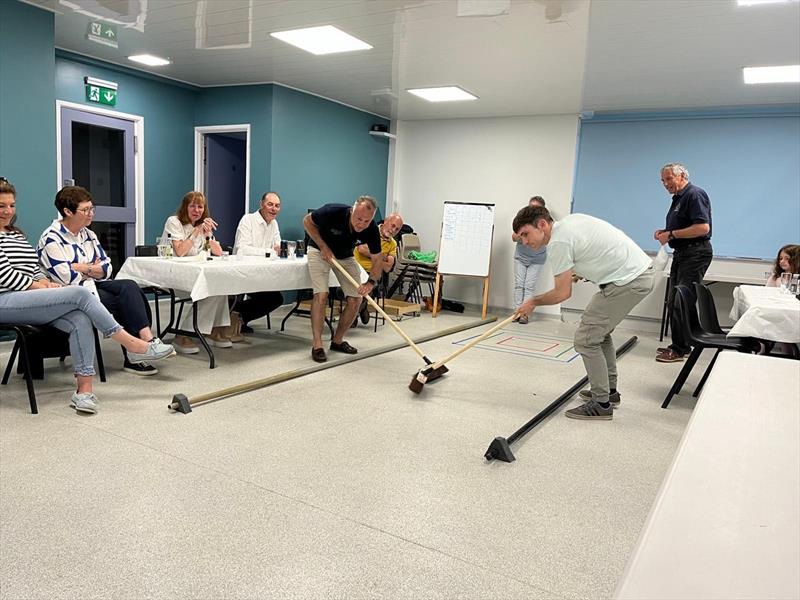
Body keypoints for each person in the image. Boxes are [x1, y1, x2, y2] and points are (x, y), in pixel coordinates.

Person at [0, 178, 174, 414]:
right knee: (81, 294)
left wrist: (44, 282)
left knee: (80, 317)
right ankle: (133, 344)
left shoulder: (16, 234)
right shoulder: (49, 236)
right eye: (2, 206)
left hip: (29, 297)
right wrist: (39, 286)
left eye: (11, 205)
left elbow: (33, 267)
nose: (8, 211)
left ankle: (84, 391)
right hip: (6, 299)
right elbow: (4, 276)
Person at [513, 205, 654, 421]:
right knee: (599, 334)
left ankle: (601, 403)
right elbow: (593, 249)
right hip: (636, 275)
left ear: (542, 224)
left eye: (525, 234)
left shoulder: (558, 243)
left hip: (627, 281)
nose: (524, 241)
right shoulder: (570, 223)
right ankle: (609, 392)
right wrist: (580, 272)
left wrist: (533, 301)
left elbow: (562, 293)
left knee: (586, 340)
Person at [37, 186, 163, 376]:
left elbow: (107, 269)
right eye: (85, 210)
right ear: (67, 212)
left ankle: (148, 341)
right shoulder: (51, 238)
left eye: (92, 208)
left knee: (129, 286)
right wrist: (90, 268)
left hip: (90, 285)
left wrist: (80, 267)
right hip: (67, 293)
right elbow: (66, 277)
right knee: (124, 301)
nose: (91, 214)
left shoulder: (89, 234)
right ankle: (136, 354)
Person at [303, 196, 384, 362]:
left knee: (356, 299)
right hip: (319, 250)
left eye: (366, 221)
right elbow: (307, 221)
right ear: (352, 210)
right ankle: (317, 345)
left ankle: (337, 341)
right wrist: (323, 246)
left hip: (345, 256)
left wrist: (371, 283)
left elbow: (377, 259)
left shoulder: (372, 230)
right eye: (358, 218)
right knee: (322, 295)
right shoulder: (333, 211)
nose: (361, 224)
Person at [653, 163, 712, 363]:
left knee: (681, 301)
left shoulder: (694, 194)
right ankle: (680, 344)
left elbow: (702, 228)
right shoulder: (679, 198)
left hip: (695, 253)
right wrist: (665, 232)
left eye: (669, 178)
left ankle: (681, 348)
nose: (666, 184)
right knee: (673, 300)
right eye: (663, 180)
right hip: (682, 253)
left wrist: (670, 234)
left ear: (682, 176)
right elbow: (684, 226)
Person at [162, 191, 232, 352]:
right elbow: (180, 251)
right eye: (192, 206)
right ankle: (183, 335)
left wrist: (207, 235)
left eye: (200, 206)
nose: (196, 210)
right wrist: (196, 232)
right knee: (211, 288)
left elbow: (218, 252)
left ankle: (215, 331)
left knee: (221, 286)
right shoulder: (174, 221)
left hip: (194, 273)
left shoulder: (202, 226)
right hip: (172, 274)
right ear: (185, 207)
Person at [232, 191, 285, 333]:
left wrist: (275, 250)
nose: (274, 209)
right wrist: (269, 252)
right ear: (261, 204)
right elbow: (242, 248)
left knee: (276, 298)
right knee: (269, 297)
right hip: (241, 273)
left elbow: (278, 247)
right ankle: (232, 317)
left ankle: (239, 317)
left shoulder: (274, 224)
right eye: (270, 204)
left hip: (262, 274)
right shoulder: (248, 220)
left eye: (277, 206)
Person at [353, 212, 403, 324]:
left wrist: (372, 253)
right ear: (385, 221)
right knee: (350, 290)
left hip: (373, 274)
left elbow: (388, 267)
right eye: (393, 225)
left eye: (397, 229)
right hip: (356, 270)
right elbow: (361, 249)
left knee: (368, 287)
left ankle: (354, 314)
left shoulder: (393, 244)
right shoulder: (369, 231)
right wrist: (382, 257)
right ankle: (361, 309)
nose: (393, 230)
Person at [511, 196, 547, 324]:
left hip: (537, 259)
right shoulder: (522, 219)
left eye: (535, 207)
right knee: (519, 285)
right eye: (530, 206)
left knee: (529, 286)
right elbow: (514, 237)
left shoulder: (544, 223)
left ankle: (524, 314)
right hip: (521, 257)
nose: (532, 210)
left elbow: (547, 240)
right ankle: (516, 312)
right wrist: (524, 235)